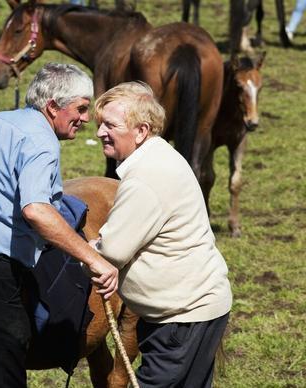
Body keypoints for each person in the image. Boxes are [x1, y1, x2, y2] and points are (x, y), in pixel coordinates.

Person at [0, 62, 119, 387]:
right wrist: (93, 258)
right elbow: (36, 210)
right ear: (53, 106)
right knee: (0, 376)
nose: (86, 119)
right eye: (81, 108)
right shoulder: (41, 142)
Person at [93, 81, 232, 387]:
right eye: (100, 123)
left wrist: (79, 246)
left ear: (141, 131)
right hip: (194, 309)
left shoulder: (145, 178)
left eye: (110, 125)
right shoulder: (160, 156)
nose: (101, 132)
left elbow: (111, 251)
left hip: (182, 318)